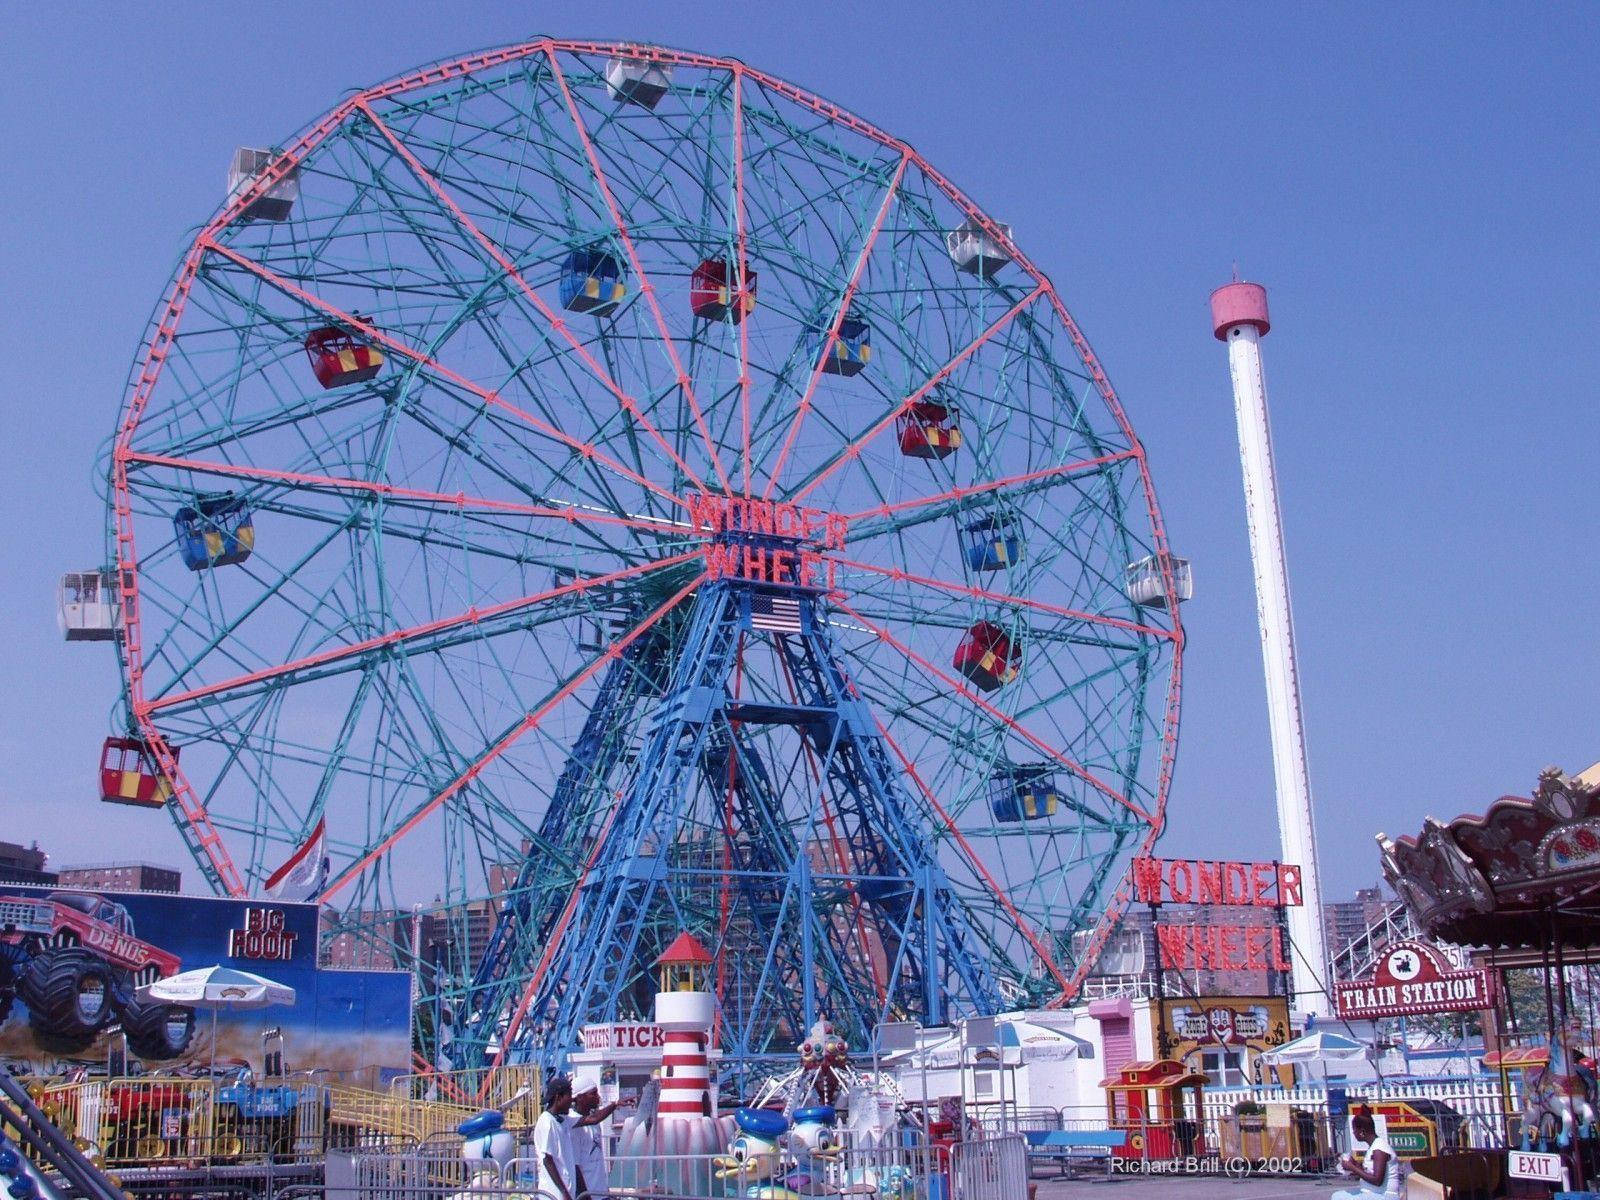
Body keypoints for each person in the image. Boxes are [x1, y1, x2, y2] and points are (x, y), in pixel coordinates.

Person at [566, 1072, 620, 1199]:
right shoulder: (573, 1124)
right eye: (593, 1093)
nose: (598, 1097)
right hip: (587, 1194)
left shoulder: (594, 1122)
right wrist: (585, 1196)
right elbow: (575, 1166)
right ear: (580, 1097)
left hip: (601, 1192)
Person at [1333, 1113, 1400, 1200]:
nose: (1353, 1132)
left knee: (1337, 1197)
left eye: (1354, 1129)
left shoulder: (1379, 1149)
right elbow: (1369, 1172)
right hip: (1374, 1194)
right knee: (1339, 1195)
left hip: (1384, 1196)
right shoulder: (1374, 1147)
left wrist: (1352, 1167)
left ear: (1362, 1132)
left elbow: (1377, 1180)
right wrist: (1355, 1164)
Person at [534, 1076, 578, 1200]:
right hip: (554, 1194)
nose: (572, 1101)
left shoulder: (561, 1120)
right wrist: (564, 1192)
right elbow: (547, 1160)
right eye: (569, 1096)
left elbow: (591, 1119)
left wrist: (615, 1105)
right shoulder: (547, 1123)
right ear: (558, 1098)